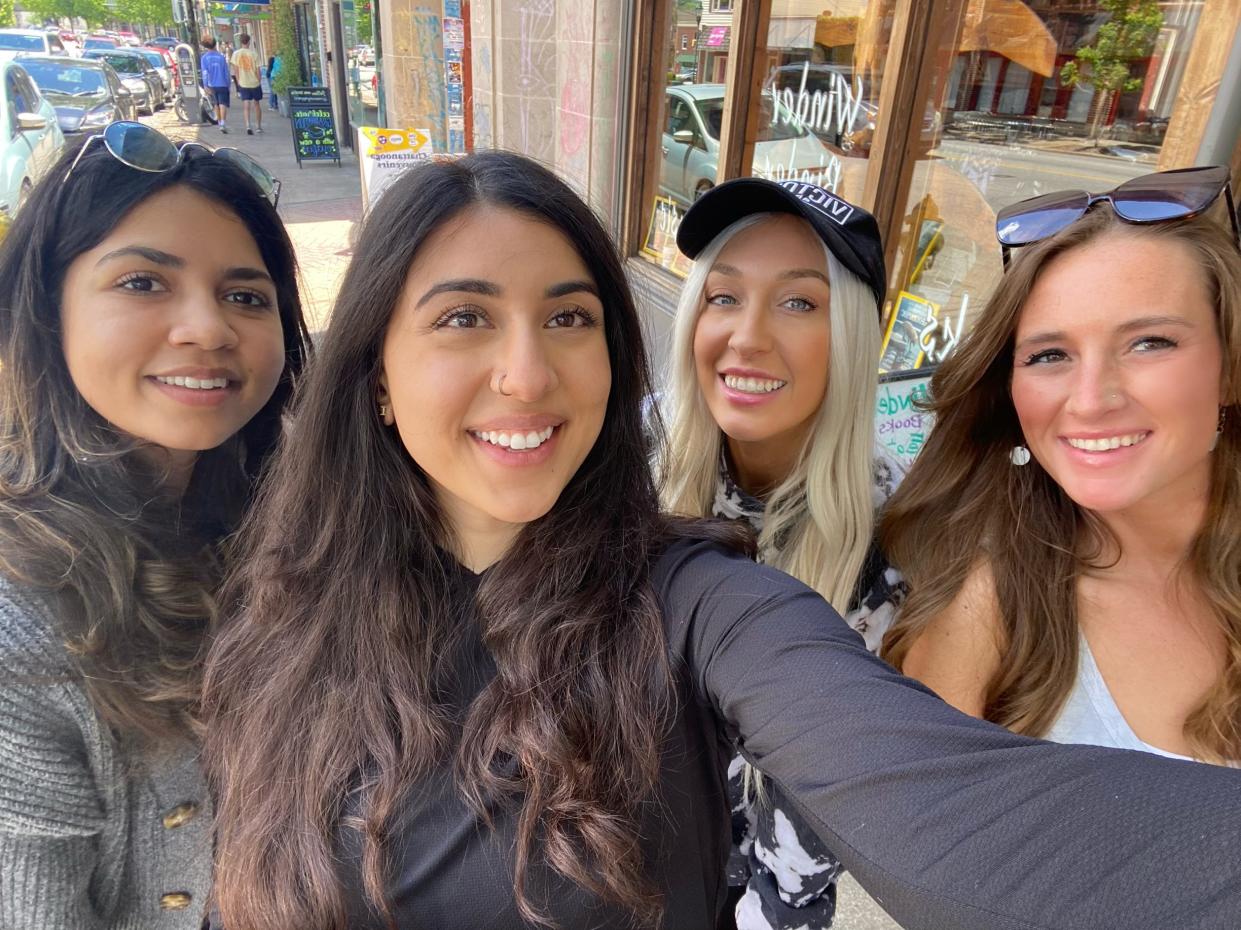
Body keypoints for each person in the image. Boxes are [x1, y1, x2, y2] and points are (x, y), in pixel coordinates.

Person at [203, 152, 1241, 930]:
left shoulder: (715, 592)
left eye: (568, 319)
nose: (525, 373)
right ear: (374, 369)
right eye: (464, 319)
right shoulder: (283, 596)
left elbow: (932, 802)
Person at [0, 122, 308, 929]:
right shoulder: (18, 630)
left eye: (246, 295)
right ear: (45, 307)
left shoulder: (300, 521)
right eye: (142, 283)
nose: (207, 328)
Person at [881, 165, 1241, 767]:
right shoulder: (986, 613)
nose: (1092, 399)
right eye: (1050, 355)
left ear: (1229, 368)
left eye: (1150, 342)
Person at [661, 179, 903, 929]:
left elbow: (802, 849)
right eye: (723, 296)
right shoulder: (638, 457)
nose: (747, 336)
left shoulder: (891, 544)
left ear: (853, 336)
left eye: (799, 303)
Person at [231, 33, 263, 135]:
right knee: (256, 104)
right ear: (249, 42)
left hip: (243, 83)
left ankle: (248, 125)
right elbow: (258, 70)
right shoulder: (254, 54)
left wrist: (239, 80)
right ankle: (258, 126)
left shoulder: (236, 54)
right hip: (254, 83)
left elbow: (236, 70)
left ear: (241, 42)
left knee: (246, 105)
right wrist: (258, 80)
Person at [200, 36, 231, 133]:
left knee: (216, 104)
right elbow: (226, 72)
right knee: (223, 104)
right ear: (214, 44)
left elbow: (204, 73)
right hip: (222, 83)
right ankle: (223, 123)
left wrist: (205, 85)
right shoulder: (221, 57)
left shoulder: (204, 58)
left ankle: (219, 121)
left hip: (211, 84)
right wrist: (228, 84)